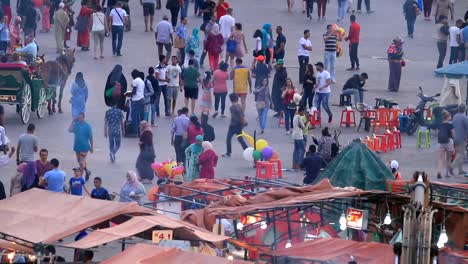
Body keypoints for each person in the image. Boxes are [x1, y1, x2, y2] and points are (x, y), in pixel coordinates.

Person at [68, 113, 93, 181]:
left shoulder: (87, 126)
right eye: (78, 118)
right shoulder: (76, 124)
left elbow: (90, 137)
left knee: (81, 163)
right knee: (80, 161)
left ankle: (80, 178)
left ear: (84, 117)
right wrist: (73, 121)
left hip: (84, 146)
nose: (80, 119)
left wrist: (91, 147)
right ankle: (87, 171)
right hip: (77, 146)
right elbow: (70, 130)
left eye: (81, 117)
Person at [450, 104, 468, 176]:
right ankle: (451, 167)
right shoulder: (465, 118)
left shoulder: (455, 116)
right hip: (461, 138)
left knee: (459, 153)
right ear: (464, 110)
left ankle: (460, 170)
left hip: (455, 137)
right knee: (460, 154)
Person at [437, 110, 455, 179]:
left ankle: (439, 172)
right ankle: (447, 174)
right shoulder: (450, 125)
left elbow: (438, 133)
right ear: (448, 117)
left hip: (441, 143)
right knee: (448, 159)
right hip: (449, 142)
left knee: (440, 159)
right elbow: (453, 134)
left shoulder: (440, 124)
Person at [127, 69, 145, 135]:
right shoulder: (142, 81)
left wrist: (128, 94)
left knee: (134, 116)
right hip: (142, 99)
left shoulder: (135, 81)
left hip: (136, 100)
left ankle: (135, 132)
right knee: (141, 116)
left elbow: (134, 91)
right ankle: (142, 131)